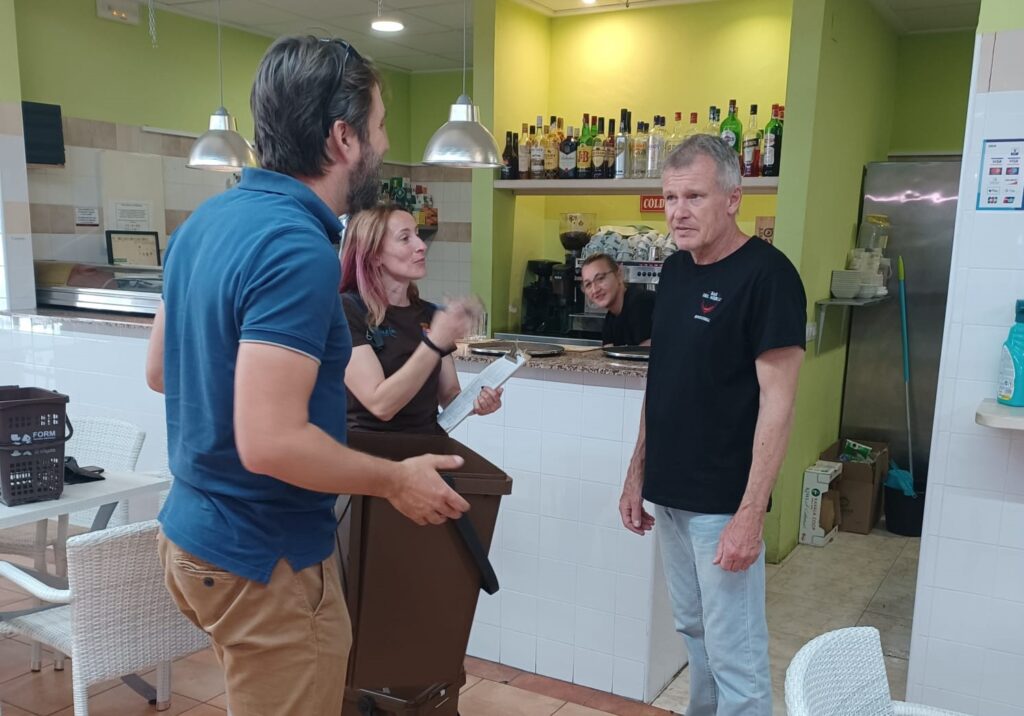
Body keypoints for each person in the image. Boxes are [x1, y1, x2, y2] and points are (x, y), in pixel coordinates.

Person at [145, 36, 469, 716]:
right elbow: (271, 442)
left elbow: (160, 371)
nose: (384, 143)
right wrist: (395, 480)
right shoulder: (297, 246)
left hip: (192, 537)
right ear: (343, 137)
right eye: (380, 125)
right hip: (265, 556)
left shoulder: (204, 222)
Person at [618, 134, 805, 716]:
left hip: (723, 503)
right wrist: (637, 472)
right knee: (695, 636)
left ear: (733, 198)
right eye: (671, 197)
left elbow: (779, 405)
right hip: (671, 494)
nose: (678, 211)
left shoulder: (769, 277)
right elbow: (663, 381)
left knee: (736, 657)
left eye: (694, 196)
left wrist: (750, 514)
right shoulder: (675, 271)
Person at [339, 205, 502, 433]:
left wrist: (476, 402)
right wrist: (434, 342)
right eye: (405, 238)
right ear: (375, 256)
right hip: (371, 447)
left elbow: (449, 395)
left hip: (428, 442)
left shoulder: (430, 314)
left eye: (417, 234)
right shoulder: (347, 310)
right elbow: (381, 405)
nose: (421, 245)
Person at [579, 252, 655, 346]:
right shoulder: (611, 317)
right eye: (588, 284)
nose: (595, 290)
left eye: (600, 278)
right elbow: (608, 350)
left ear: (619, 275)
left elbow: (647, 352)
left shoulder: (641, 303)